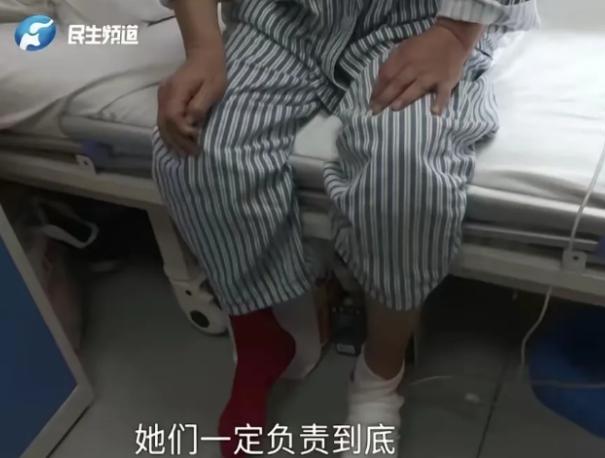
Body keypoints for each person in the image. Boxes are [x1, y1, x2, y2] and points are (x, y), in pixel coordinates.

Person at [153, 0, 539, 456]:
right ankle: (259, 338)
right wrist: (202, 48)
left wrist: (454, 35)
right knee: (194, 144)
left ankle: (380, 376)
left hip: (423, 19)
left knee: (403, 171)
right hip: (285, 15)